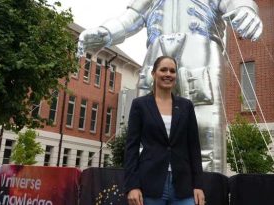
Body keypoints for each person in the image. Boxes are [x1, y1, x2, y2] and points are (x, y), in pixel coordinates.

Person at [78, 0, 263, 172]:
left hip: (199, 50)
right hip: (157, 52)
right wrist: (106, 31)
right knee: (146, 127)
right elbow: (132, 17)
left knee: (205, 130)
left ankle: (208, 190)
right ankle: (146, 188)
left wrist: (246, 8)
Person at [124, 56, 205, 205]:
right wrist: (132, 186)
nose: (168, 74)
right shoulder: (140, 105)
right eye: (163, 70)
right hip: (149, 184)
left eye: (172, 71)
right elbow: (131, 148)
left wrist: (198, 185)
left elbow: (194, 147)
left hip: (183, 186)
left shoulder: (186, 106)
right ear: (153, 74)